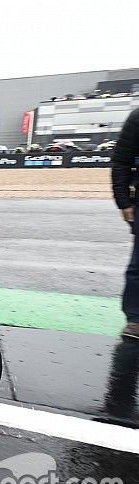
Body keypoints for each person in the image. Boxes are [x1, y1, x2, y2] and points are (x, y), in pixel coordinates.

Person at [111, 107, 139, 339]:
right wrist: (124, 202)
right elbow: (121, 160)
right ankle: (135, 320)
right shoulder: (137, 116)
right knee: (138, 267)